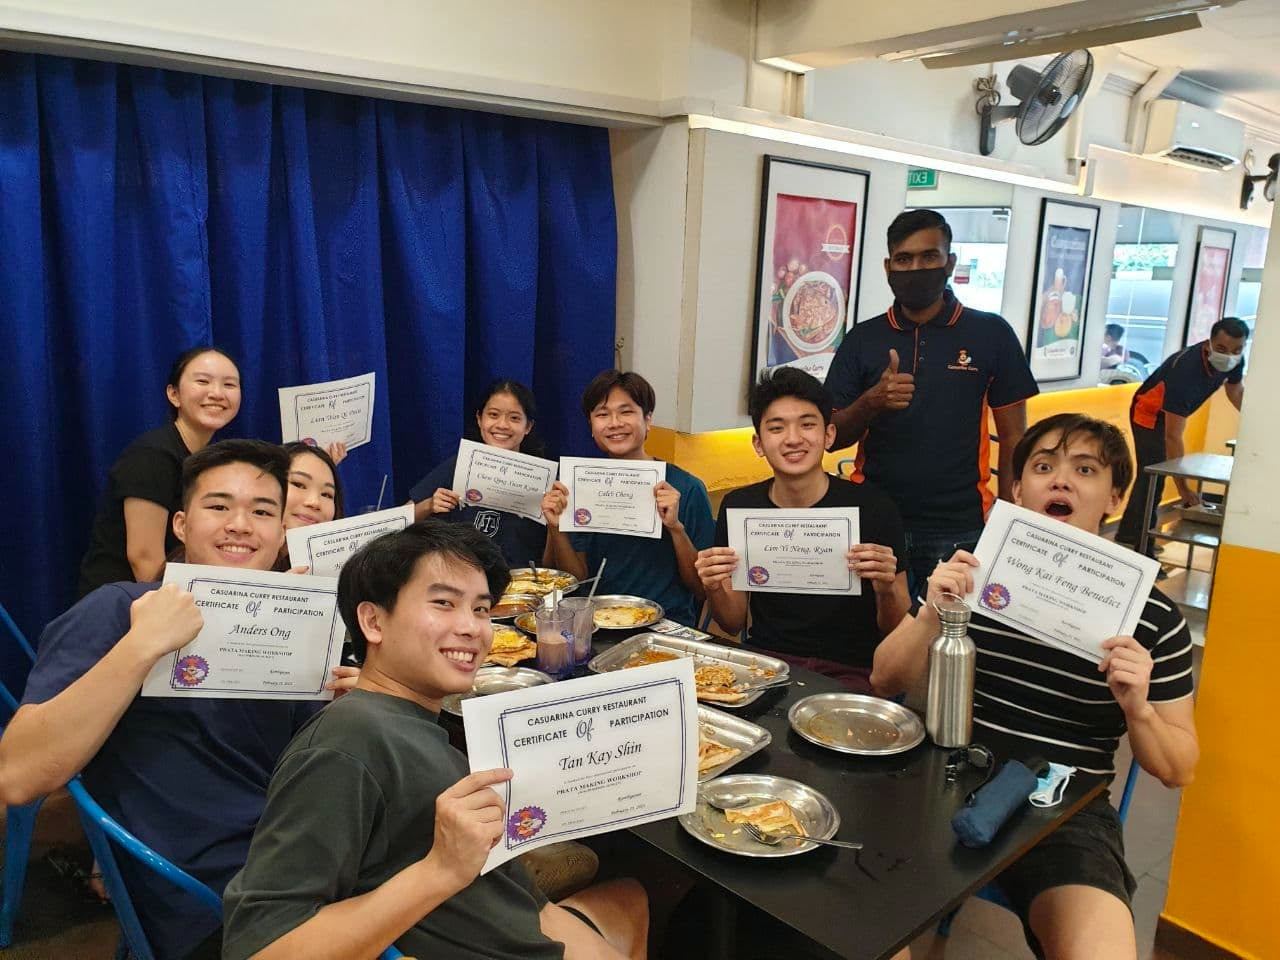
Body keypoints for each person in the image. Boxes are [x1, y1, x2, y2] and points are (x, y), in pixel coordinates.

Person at [221, 522, 649, 960]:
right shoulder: (345, 745)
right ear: (372, 621)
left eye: (481, 609)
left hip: (517, 920)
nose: (471, 628)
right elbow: (260, 948)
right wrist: (441, 870)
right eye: (443, 603)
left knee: (632, 898)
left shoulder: (404, 718)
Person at [0, 440, 357, 960]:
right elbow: (18, 774)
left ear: (282, 532)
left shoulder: (293, 623)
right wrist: (141, 647)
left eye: (262, 511)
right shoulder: (121, 609)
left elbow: (300, 772)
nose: (240, 524)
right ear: (182, 526)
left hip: (304, 860)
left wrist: (342, 706)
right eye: (218, 506)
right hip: (213, 899)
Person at [871, 413, 1197, 960]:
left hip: (1063, 805)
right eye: (1044, 466)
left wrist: (1138, 709)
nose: (1060, 480)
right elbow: (885, 677)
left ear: (1115, 496)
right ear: (1018, 489)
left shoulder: (1155, 618)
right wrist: (932, 611)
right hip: (943, 773)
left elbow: (1178, 766)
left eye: (1085, 469)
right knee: (853, 927)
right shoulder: (972, 574)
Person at [825, 209, 1039, 596]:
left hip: (960, 527)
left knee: (950, 643)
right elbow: (832, 436)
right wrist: (872, 401)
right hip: (874, 521)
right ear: (888, 267)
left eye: (929, 257)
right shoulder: (863, 339)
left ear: (950, 262)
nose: (916, 268)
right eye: (904, 260)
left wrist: (1009, 522)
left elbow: (1015, 437)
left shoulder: (991, 334)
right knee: (877, 645)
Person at [693, 368, 909, 690]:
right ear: (758, 443)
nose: (793, 439)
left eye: (807, 424)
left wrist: (886, 588)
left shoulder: (874, 508)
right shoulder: (740, 507)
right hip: (767, 663)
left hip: (851, 669)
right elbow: (733, 620)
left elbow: (897, 629)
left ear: (829, 435)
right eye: (777, 428)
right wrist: (713, 585)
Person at [542, 370, 714, 626]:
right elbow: (577, 579)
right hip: (598, 624)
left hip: (666, 626)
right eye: (602, 414)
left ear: (648, 419)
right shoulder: (581, 486)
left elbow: (701, 589)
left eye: (626, 412)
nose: (614, 423)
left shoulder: (687, 488)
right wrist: (556, 527)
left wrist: (676, 530)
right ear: (591, 426)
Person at [78, 347, 241, 597]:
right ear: (173, 394)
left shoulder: (210, 460)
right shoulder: (152, 455)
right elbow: (144, 557)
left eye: (229, 384)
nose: (217, 393)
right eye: (202, 381)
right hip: (124, 606)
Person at [1117, 317, 1247, 558]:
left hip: (1168, 420)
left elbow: (1235, 390)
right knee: (1154, 476)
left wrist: (1256, 421)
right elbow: (1172, 436)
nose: (1229, 355)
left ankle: (1129, 535)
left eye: (1237, 350)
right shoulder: (1186, 371)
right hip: (1149, 414)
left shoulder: (1233, 361)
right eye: (1222, 349)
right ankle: (1141, 548)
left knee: (1152, 477)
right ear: (1209, 344)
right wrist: (1184, 489)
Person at [408, 379, 554, 566]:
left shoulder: (544, 480)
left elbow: (552, 565)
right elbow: (397, 522)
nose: (502, 425)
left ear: (528, 427)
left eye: (514, 418)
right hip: (459, 580)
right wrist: (428, 506)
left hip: (522, 586)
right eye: (493, 415)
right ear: (479, 419)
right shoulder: (457, 466)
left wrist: (553, 525)